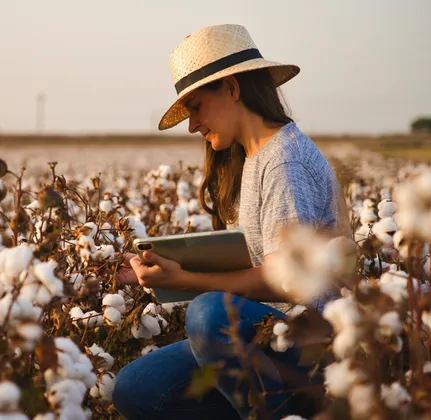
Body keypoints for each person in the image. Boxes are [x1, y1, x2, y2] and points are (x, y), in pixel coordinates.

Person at [111, 24, 351, 419]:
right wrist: (167, 269)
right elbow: (262, 267)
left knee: (209, 315)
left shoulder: (284, 162)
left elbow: (284, 280)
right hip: (265, 332)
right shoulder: (255, 159)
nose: (192, 125)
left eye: (195, 107)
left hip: (309, 340)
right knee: (135, 388)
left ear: (233, 89)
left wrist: (184, 281)